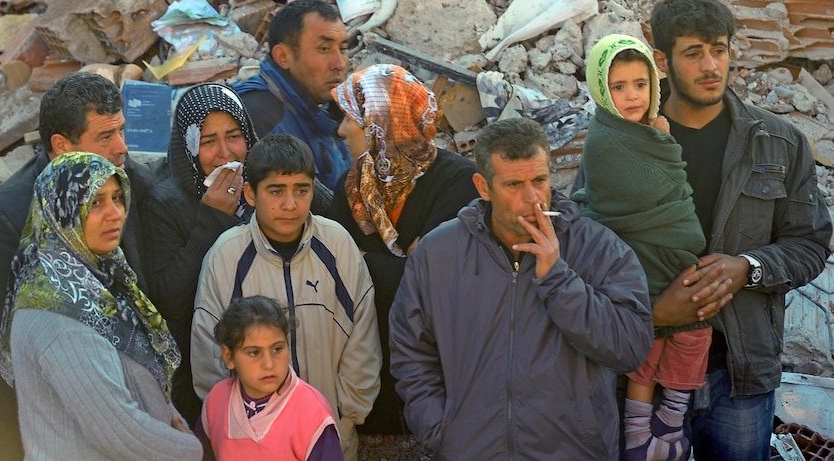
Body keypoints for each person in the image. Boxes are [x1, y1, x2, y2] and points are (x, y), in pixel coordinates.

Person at [389, 117, 654, 459]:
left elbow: (630, 347)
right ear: (483, 187)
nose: (532, 199)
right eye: (514, 185)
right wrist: (441, 433)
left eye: (540, 180)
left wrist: (559, 279)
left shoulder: (598, 248)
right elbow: (411, 352)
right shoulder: (437, 253)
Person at [647, 0, 832, 460]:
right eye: (694, 52)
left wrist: (746, 267)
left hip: (739, 375)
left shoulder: (780, 143)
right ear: (662, 60)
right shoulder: (626, 142)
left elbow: (810, 243)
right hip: (645, 367)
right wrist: (651, 311)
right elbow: (594, 249)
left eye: (720, 49)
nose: (711, 65)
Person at [0, 71, 154, 461]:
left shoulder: (121, 180)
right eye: (105, 137)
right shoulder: (5, 218)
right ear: (60, 146)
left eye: (121, 130)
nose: (122, 147)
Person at [0, 152, 202, 460]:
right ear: (61, 211)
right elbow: (119, 431)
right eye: (95, 202)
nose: (115, 213)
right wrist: (192, 449)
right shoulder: (59, 310)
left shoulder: (100, 278)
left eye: (117, 198)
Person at [191, 134, 381, 461]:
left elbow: (363, 339)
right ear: (250, 193)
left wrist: (343, 416)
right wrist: (235, 427)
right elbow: (210, 356)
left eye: (301, 190)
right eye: (276, 191)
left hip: (329, 442)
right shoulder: (226, 255)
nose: (290, 205)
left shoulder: (337, 244)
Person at [572, 34, 708, 461]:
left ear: (654, 84)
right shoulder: (605, 140)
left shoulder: (647, 128)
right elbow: (652, 189)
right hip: (642, 258)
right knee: (646, 342)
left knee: (691, 330)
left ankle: (669, 417)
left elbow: (673, 182)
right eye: (618, 86)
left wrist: (661, 139)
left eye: (640, 84)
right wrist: (665, 143)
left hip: (659, 252)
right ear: (600, 90)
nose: (632, 96)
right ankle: (638, 432)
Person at [327, 63, 479, 434]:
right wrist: (403, 262)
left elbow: (434, 287)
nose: (341, 130)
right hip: (369, 389)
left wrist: (365, 263)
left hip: (441, 386)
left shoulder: (458, 184)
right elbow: (334, 278)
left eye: (352, 119)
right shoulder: (349, 191)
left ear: (384, 123)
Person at [141, 83, 258, 427]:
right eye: (207, 142)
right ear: (189, 147)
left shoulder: (261, 177)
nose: (225, 153)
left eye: (234, 136)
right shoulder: (163, 202)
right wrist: (212, 220)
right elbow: (170, 300)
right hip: (203, 374)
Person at [196, 295, 343, 461]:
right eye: (254, 352)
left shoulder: (312, 413)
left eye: (277, 349)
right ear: (228, 357)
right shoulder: (216, 401)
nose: (268, 364)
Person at [233, 0, 351, 193]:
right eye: (324, 49)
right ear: (283, 57)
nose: (340, 64)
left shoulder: (323, 108)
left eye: (343, 49)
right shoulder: (259, 119)